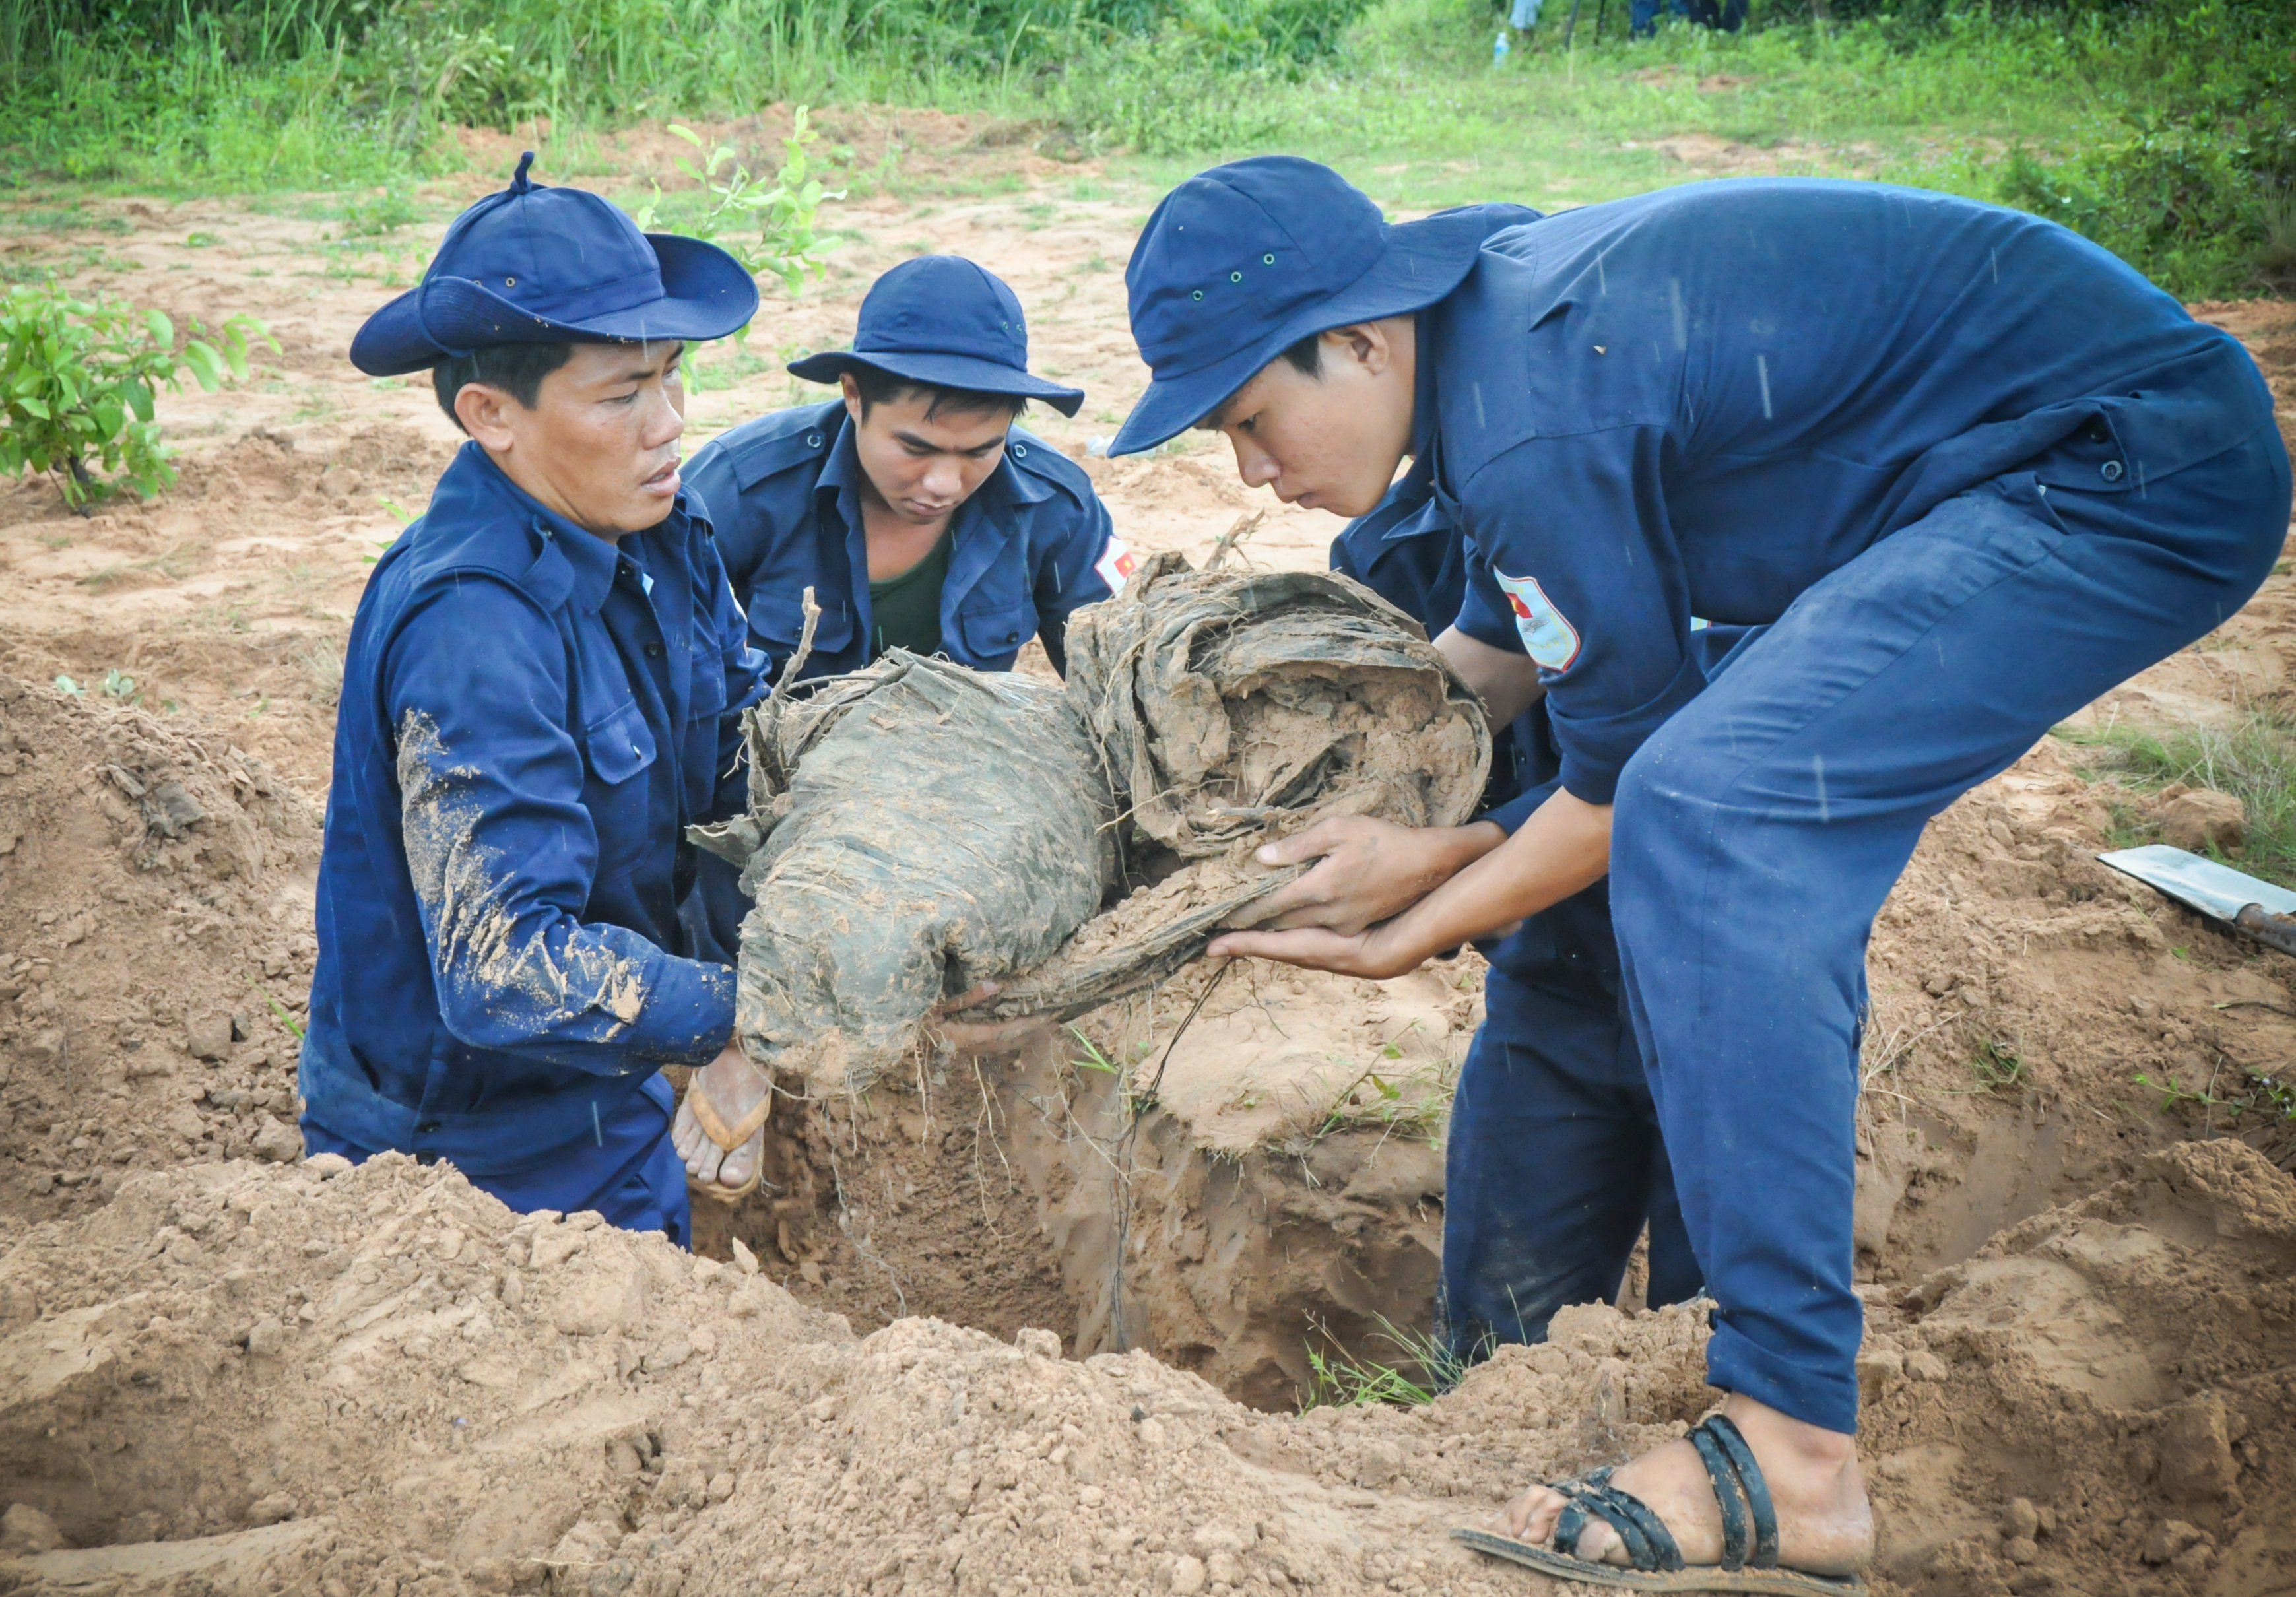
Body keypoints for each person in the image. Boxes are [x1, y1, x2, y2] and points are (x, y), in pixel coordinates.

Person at [1113, 156, 2287, 1591]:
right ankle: (1657, 1375)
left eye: (1251, 419)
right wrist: (1341, 789)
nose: (1252, 471)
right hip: (1979, 474)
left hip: (2116, 467)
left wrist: (1410, 914)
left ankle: (1794, 1446)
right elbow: (1503, 646)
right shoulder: (1477, 331)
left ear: (1357, 340)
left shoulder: (1528, 413)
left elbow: (1624, 787)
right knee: (1676, 807)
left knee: (1718, 810)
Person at [300, 152, 777, 1243]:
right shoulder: (472, 630)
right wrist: (746, 1008)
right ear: (492, 415)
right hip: (459, 1155)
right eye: (622, 394)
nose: (668, 424)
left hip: (605, 1091)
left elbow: (743, 758)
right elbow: (504, 968)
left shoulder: (666, 532)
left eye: (671, 375)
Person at [1332, 457, 1707, 1365]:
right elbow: (1409, 754)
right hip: (1550, 990)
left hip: (1724, 998)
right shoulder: (1387, 553)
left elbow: (1664, 774)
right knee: (1492, 1357)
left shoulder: (1705, 513)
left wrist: (1425, 896)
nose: (1253, 471)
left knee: (1720, 1352)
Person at [684, 253, 1131, 686]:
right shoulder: (741, 487)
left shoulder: (1055, 504)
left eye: (980, 452)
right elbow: (650, 664)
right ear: (854, 396)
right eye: (915, 448)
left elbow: (1118, 677)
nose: (943, 484)